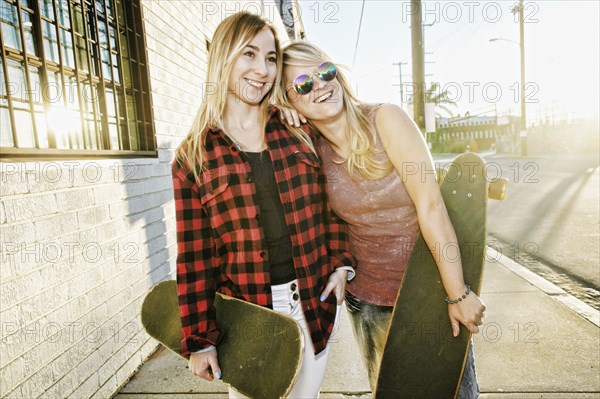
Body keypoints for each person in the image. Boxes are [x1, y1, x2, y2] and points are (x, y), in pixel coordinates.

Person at [275, 41, 486, 398]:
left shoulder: (385, 119)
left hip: (428, 291)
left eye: (325, 72)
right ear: (290, 99)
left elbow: (431, 205)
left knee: (456, 394)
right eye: (303, 84)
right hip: (368, 301)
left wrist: (457, 293)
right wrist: (274, 112)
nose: (321, 85)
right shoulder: (309, 149)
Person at [171, 14, 355, 399]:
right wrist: (200, 338)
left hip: (312, 303)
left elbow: (332, 207)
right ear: (224, 58)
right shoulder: (192, 157)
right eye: (249, 54)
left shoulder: (298, 130)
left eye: (271, 58)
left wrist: (341, 263)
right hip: (248, 316)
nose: (262, 69)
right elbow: (194, 257)